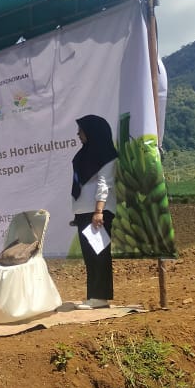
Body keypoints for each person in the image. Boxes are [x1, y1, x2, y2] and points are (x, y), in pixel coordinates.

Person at [71, 114, 118, 308]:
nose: (78, 134)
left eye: (81, 130)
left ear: (93, 132)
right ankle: (94, 296)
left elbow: (104, 183)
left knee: (99, 254)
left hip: (98, 212)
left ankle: (100, 297)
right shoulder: (85, 153)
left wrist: (98, 211)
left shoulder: (106, 155)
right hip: (84, 212)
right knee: (90, 255)